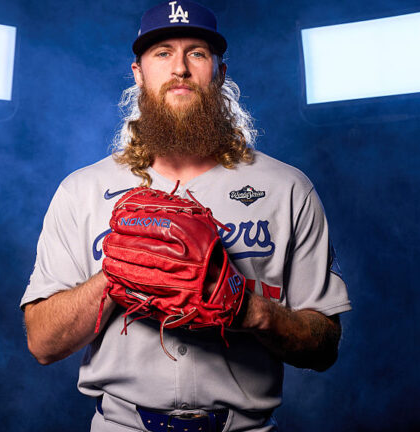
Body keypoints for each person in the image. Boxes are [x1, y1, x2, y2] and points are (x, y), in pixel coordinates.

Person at [21, 1, 351, 431]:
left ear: (220, 73)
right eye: (162, 53)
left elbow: (324, 345)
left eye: (196, 52)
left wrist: (253, 312)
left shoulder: (287, 188)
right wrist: (118, 275)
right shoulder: (81, 191)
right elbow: (42, 343)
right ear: (138, 73)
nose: (180, 68)